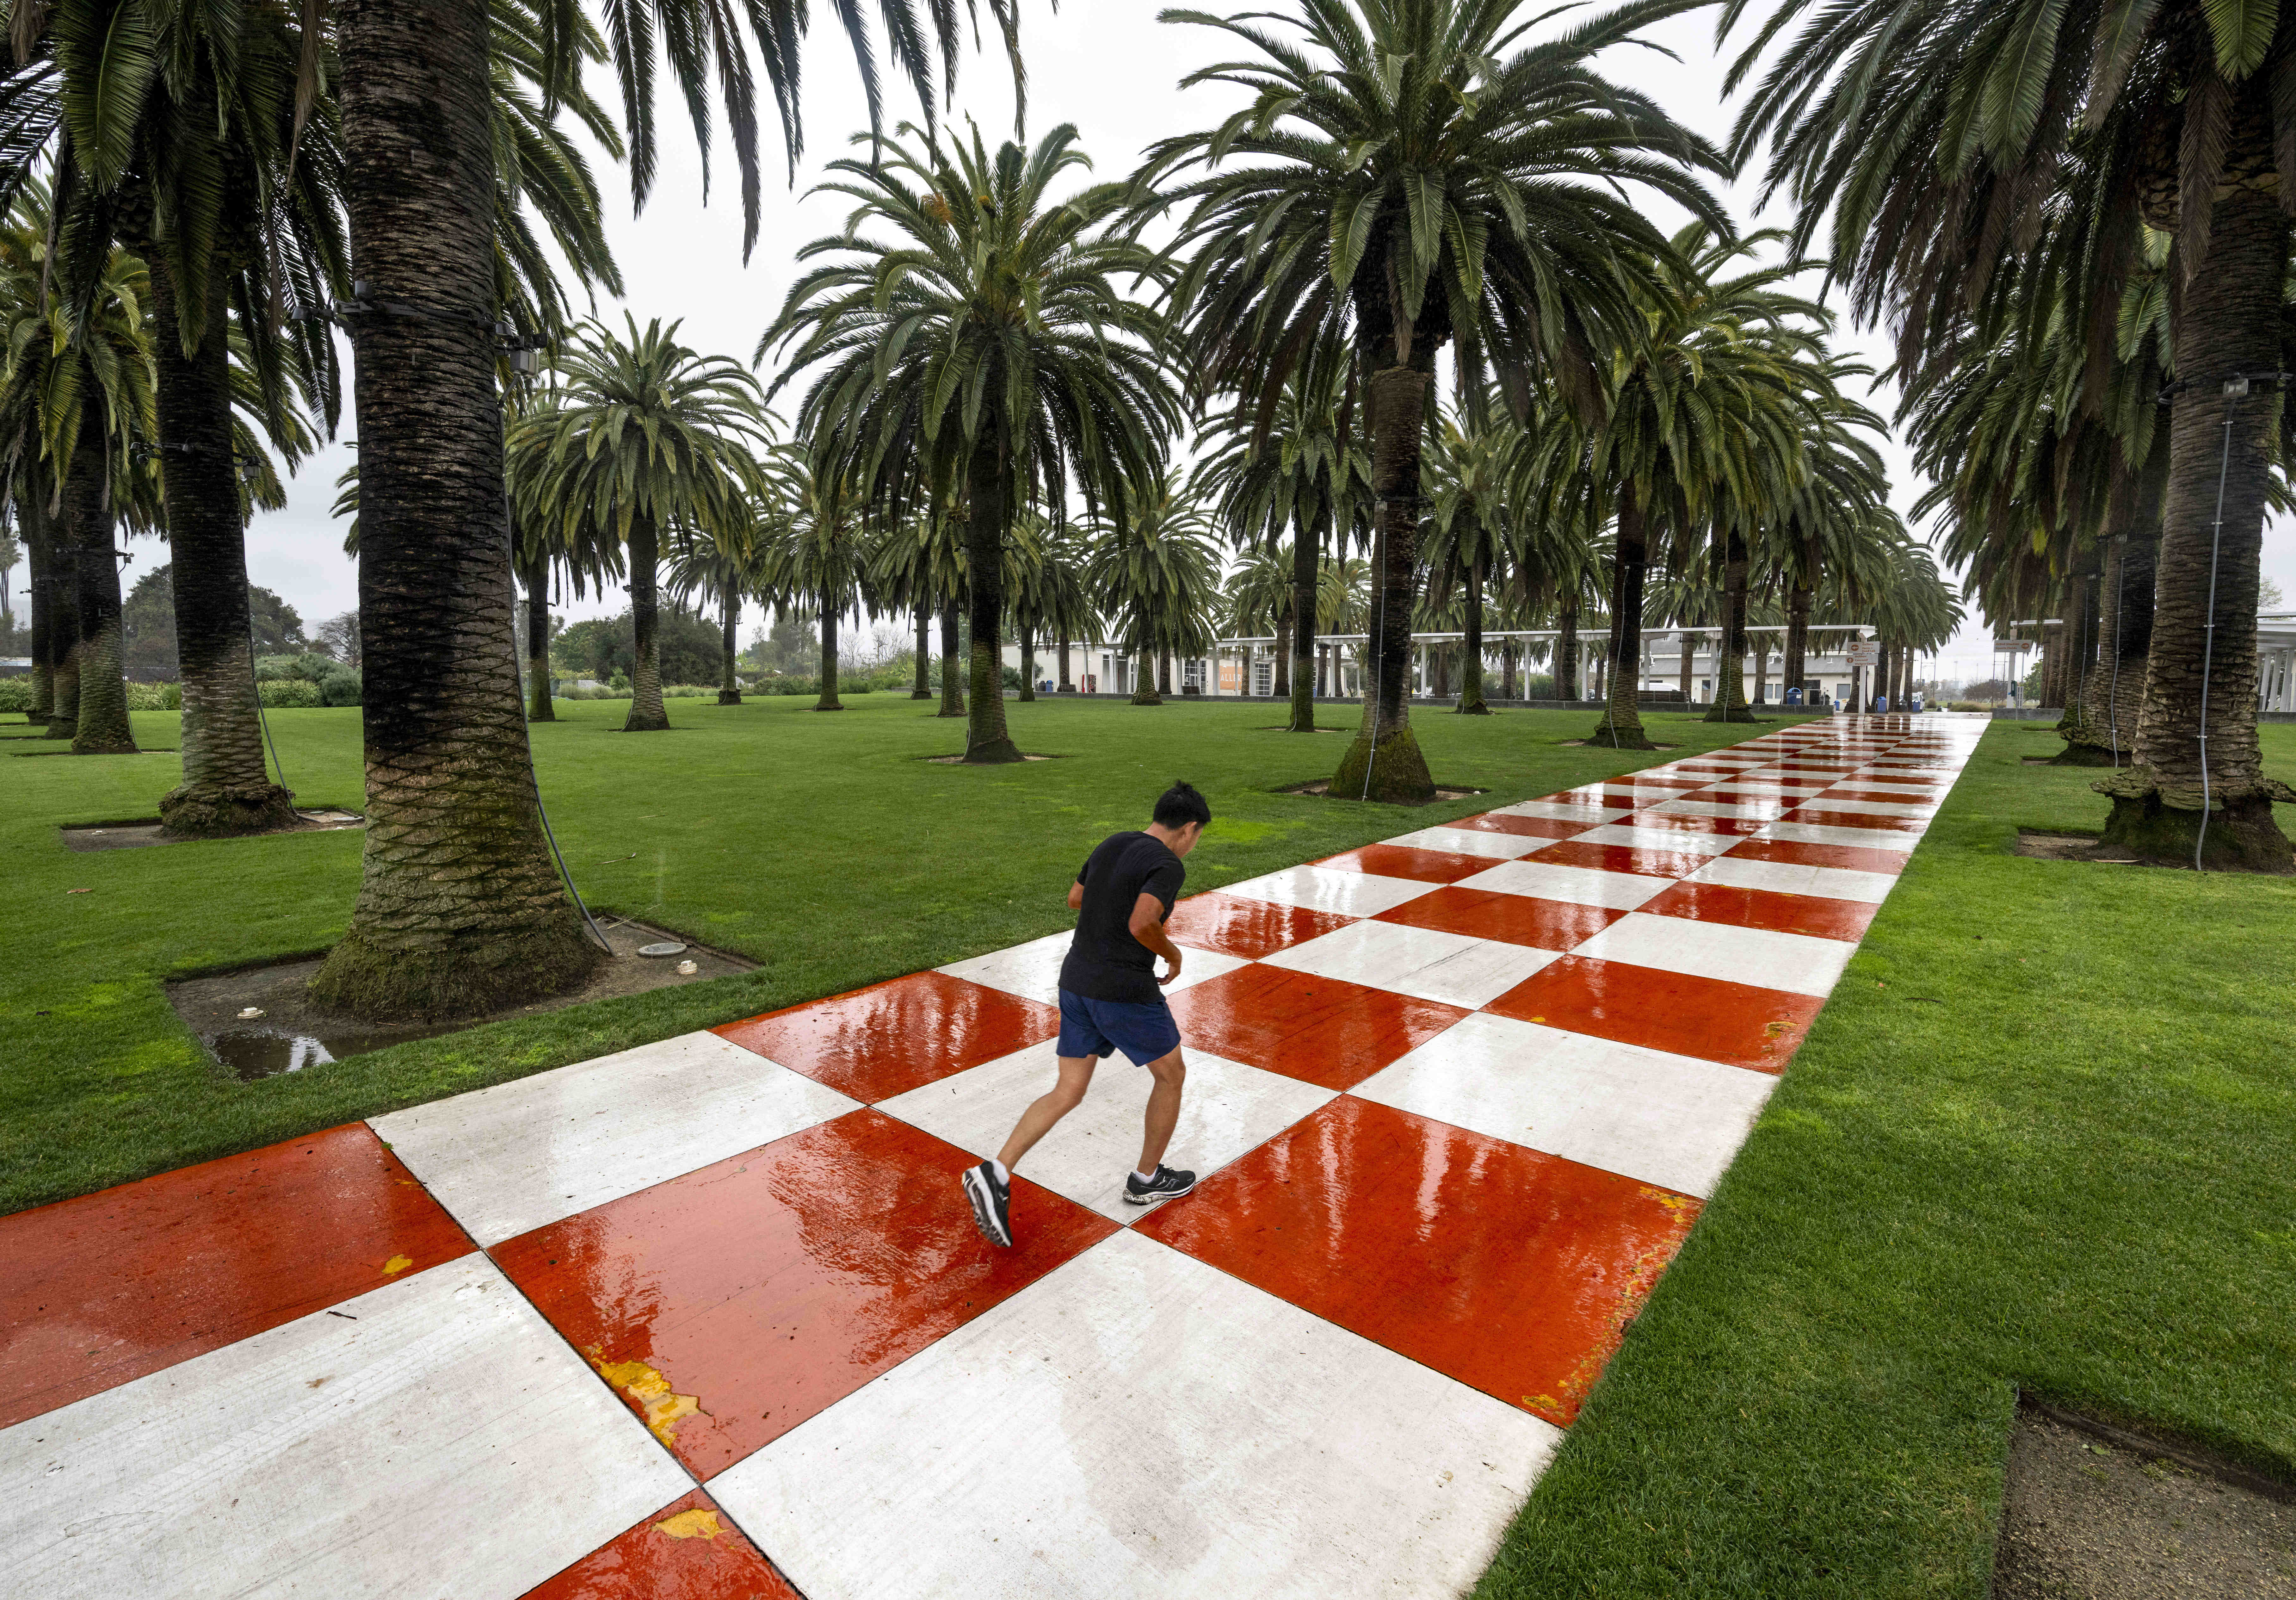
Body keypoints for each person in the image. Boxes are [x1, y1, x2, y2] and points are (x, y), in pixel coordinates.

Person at [961, 780, 1211, 1247]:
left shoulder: (1113, 842)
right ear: (1190, 829)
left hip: (1076, 982)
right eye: (1198, 838)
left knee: (1068, 1089)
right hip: (1122, 990)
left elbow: (1076, 898)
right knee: (1171, 1075)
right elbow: (1142, 922)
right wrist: (1173, 955)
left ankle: (994, 1172)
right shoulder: (1167, 864)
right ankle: (1146, 1179)